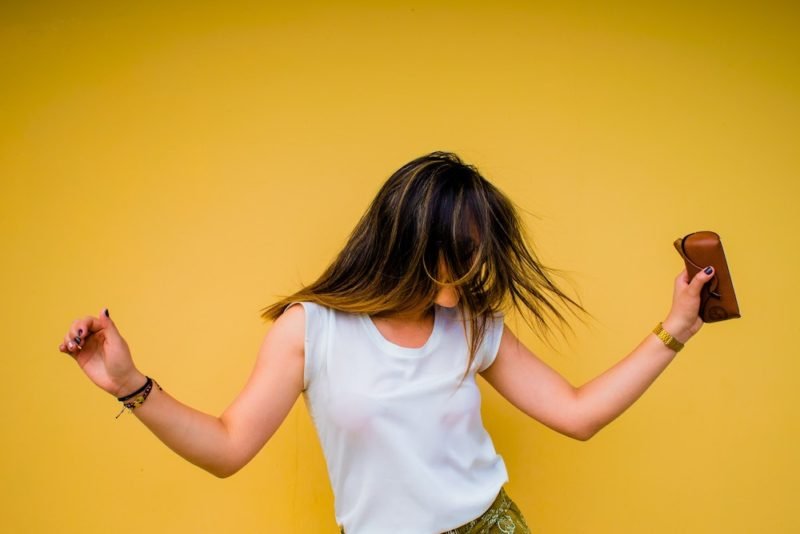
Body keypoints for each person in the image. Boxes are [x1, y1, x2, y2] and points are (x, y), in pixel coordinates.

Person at [58, 151, 715, 534]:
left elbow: (578, 414)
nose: (478, 266)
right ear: (412, 244)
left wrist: (676, 328)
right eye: (465, 250)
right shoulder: (311, 328)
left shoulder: (473, 327)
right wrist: (129, 386)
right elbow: (228, 449)